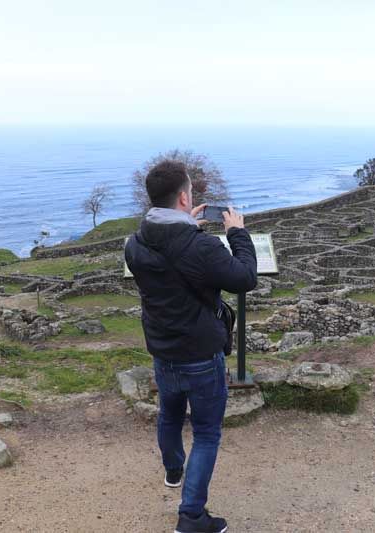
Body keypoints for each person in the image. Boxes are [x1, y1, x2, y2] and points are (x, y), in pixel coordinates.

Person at [124, 160, 257, 533]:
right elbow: (244, 278)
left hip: (162, 352)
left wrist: (186, 226)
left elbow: (169, 260)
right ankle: (192, 516)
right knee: (207, 433)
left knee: (169, 414)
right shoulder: (201, 246)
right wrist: (237, 233)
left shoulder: (136, 243)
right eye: (191, 193)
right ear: (184, 198)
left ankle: (173, 470)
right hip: (200, 355)